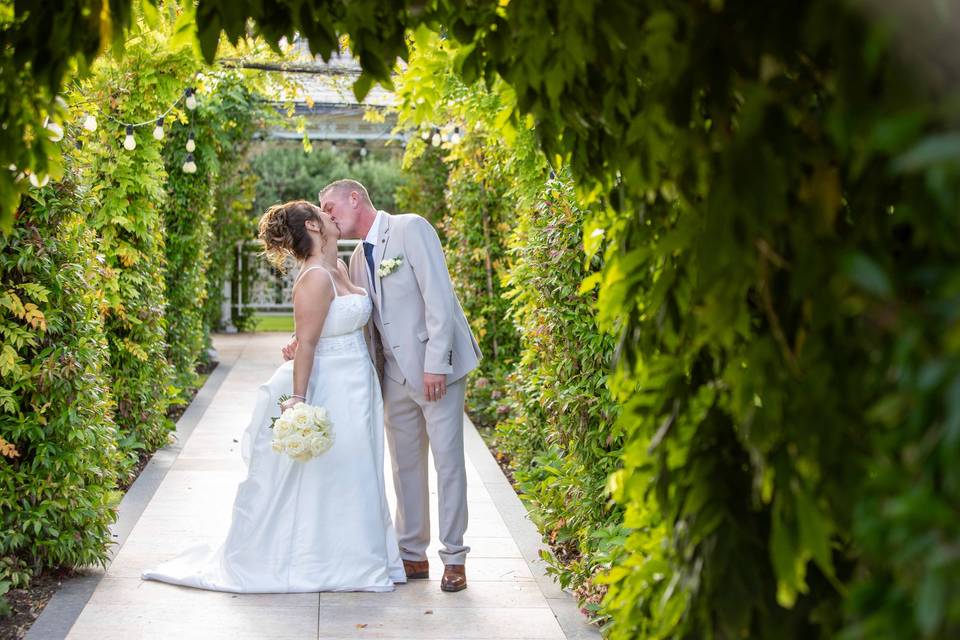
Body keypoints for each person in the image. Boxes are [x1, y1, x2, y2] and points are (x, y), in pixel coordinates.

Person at [142, 200, 406, 593]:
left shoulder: (337, 267)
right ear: (314, 228)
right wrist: (298, 399)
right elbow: (308, 345)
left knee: (358, 466)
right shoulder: (314, 277)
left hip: (358, 379)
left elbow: (316, 331)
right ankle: (339, 563)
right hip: (331, 382)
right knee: (336, 470)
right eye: (323, 213)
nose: (332, 216)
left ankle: (365, 557)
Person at [283, 180, 481, 592]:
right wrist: (301, 341)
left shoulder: (411, 228)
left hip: (435, 371)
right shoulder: (354, 260)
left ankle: (455, 557)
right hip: (391, 376)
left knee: (448, 464)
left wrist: (435, 366)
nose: (327, 214)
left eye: (329, 204)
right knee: (403, 466)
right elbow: (354, 317)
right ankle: (412, 554)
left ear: (355, 198)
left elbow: (439, 299)